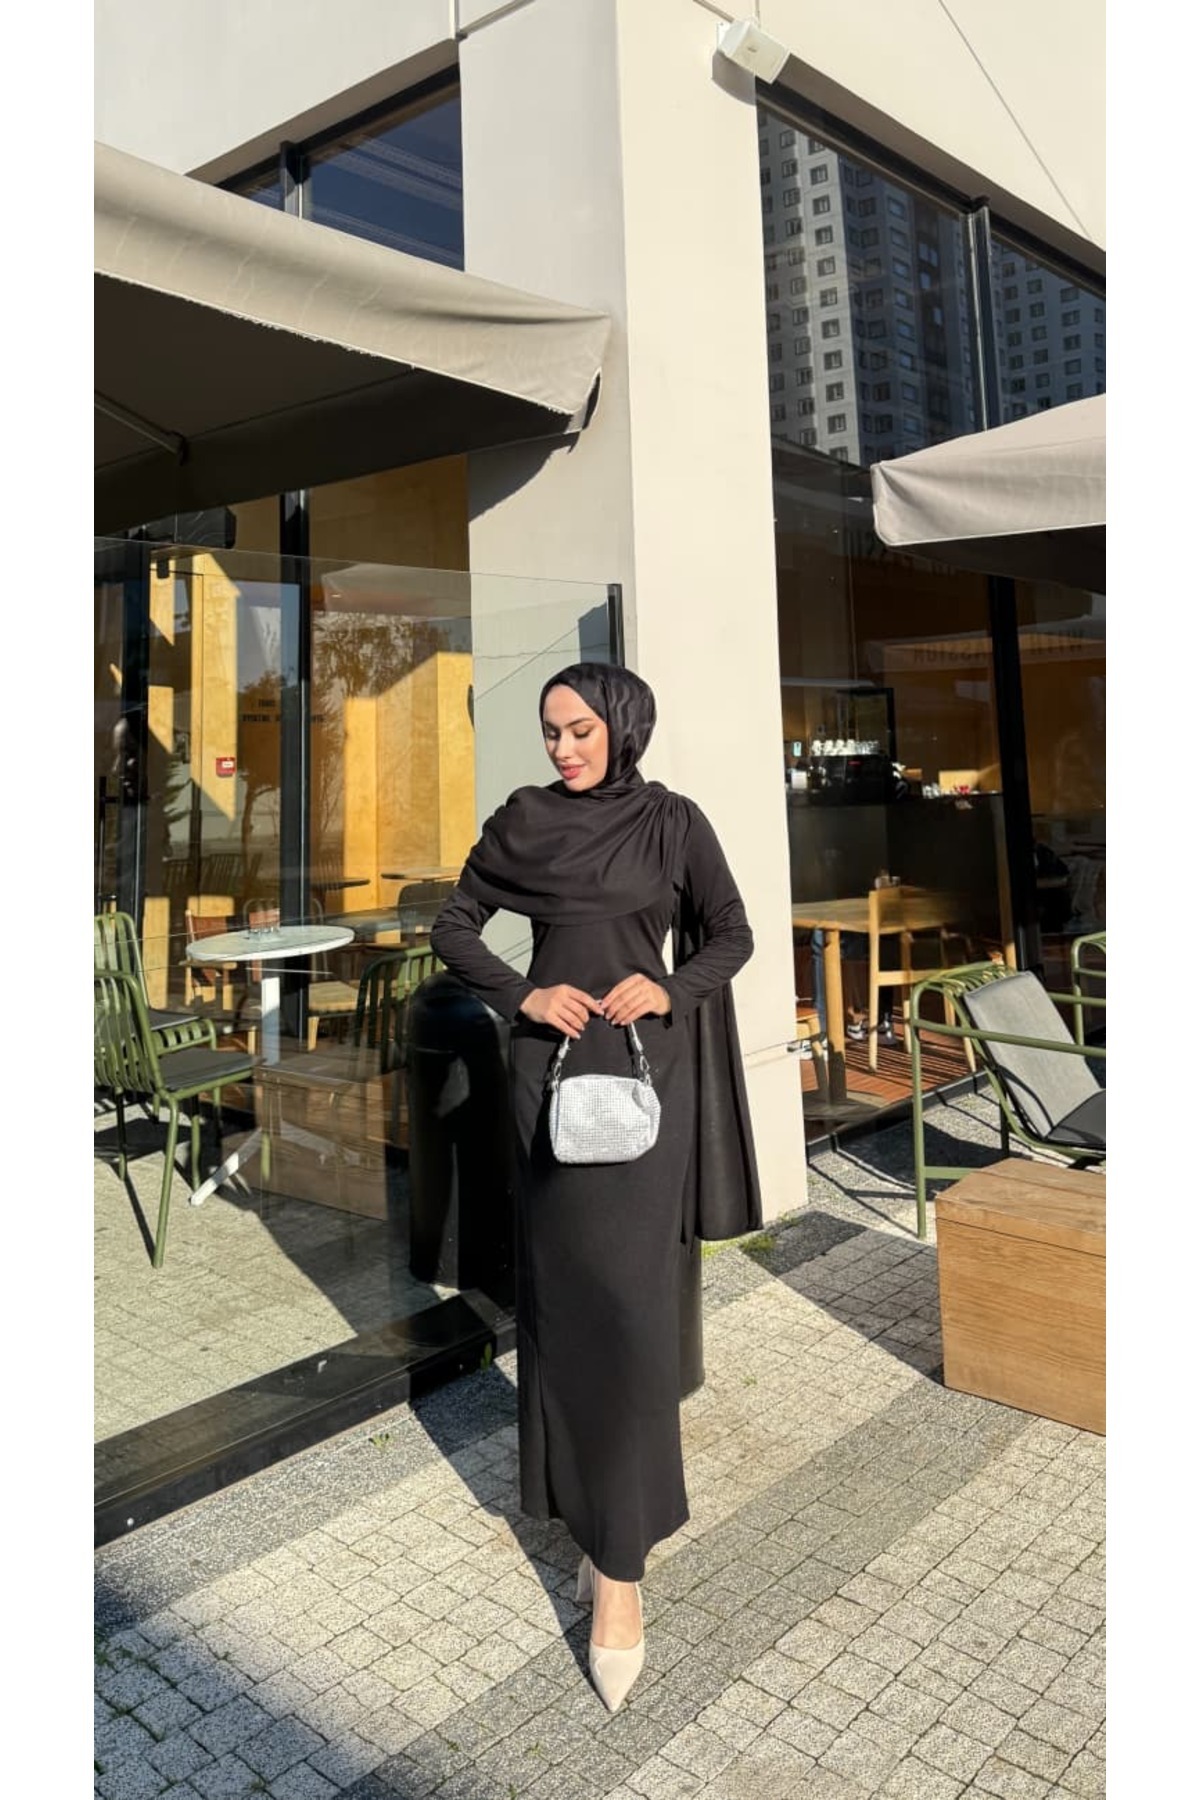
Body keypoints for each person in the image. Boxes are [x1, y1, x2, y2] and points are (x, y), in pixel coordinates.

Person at [430, 663, 760, 1713]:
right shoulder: (523, 821)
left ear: (623, 726)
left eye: (580, 730)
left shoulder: (673, 824)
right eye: (551, 731)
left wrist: (667, 987)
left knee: (632, 1315)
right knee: (568, 1316)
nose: (563, 748)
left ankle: (619, 1569)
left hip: (646, 1090)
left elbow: (733, 934)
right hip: (550, 1089)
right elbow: (453, 926)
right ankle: (593, 1528)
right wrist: (524, 995)